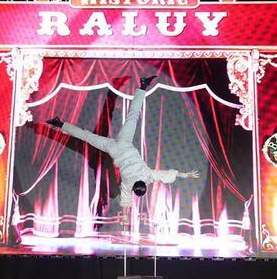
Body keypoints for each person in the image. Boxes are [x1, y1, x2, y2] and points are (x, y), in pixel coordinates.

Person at [34, 75, 199, 228]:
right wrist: (125, 218)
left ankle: (142, 86)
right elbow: (126, 201)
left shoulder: (148, 175)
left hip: (124, 142)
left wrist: (185, 175)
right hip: (113, 149)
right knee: (86, 136)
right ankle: (59, 124)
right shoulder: (128, 184)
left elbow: (166, 174)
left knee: (132, 115)